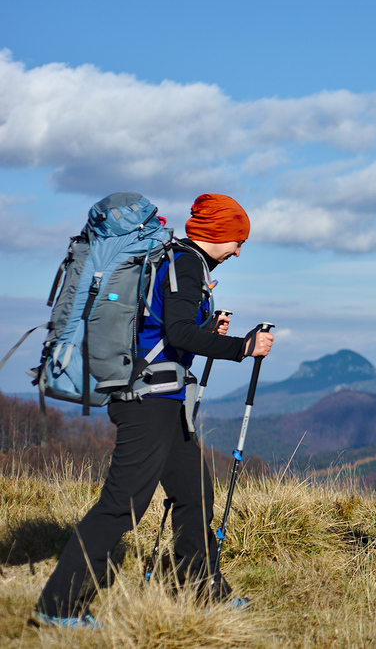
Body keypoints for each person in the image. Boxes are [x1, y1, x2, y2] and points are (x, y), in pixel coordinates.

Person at [33, 194, 275, 629]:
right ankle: (58, 606)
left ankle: (201, 591)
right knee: (121, 505)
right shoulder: (185, 265)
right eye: (237, 241)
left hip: (164, 402)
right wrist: (243, 347)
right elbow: (177, 331)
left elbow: (169, 334)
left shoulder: (178, 262)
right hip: (148, 403)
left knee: (195, 494)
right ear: (217, 236)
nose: (238, 251)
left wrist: (208, 331)